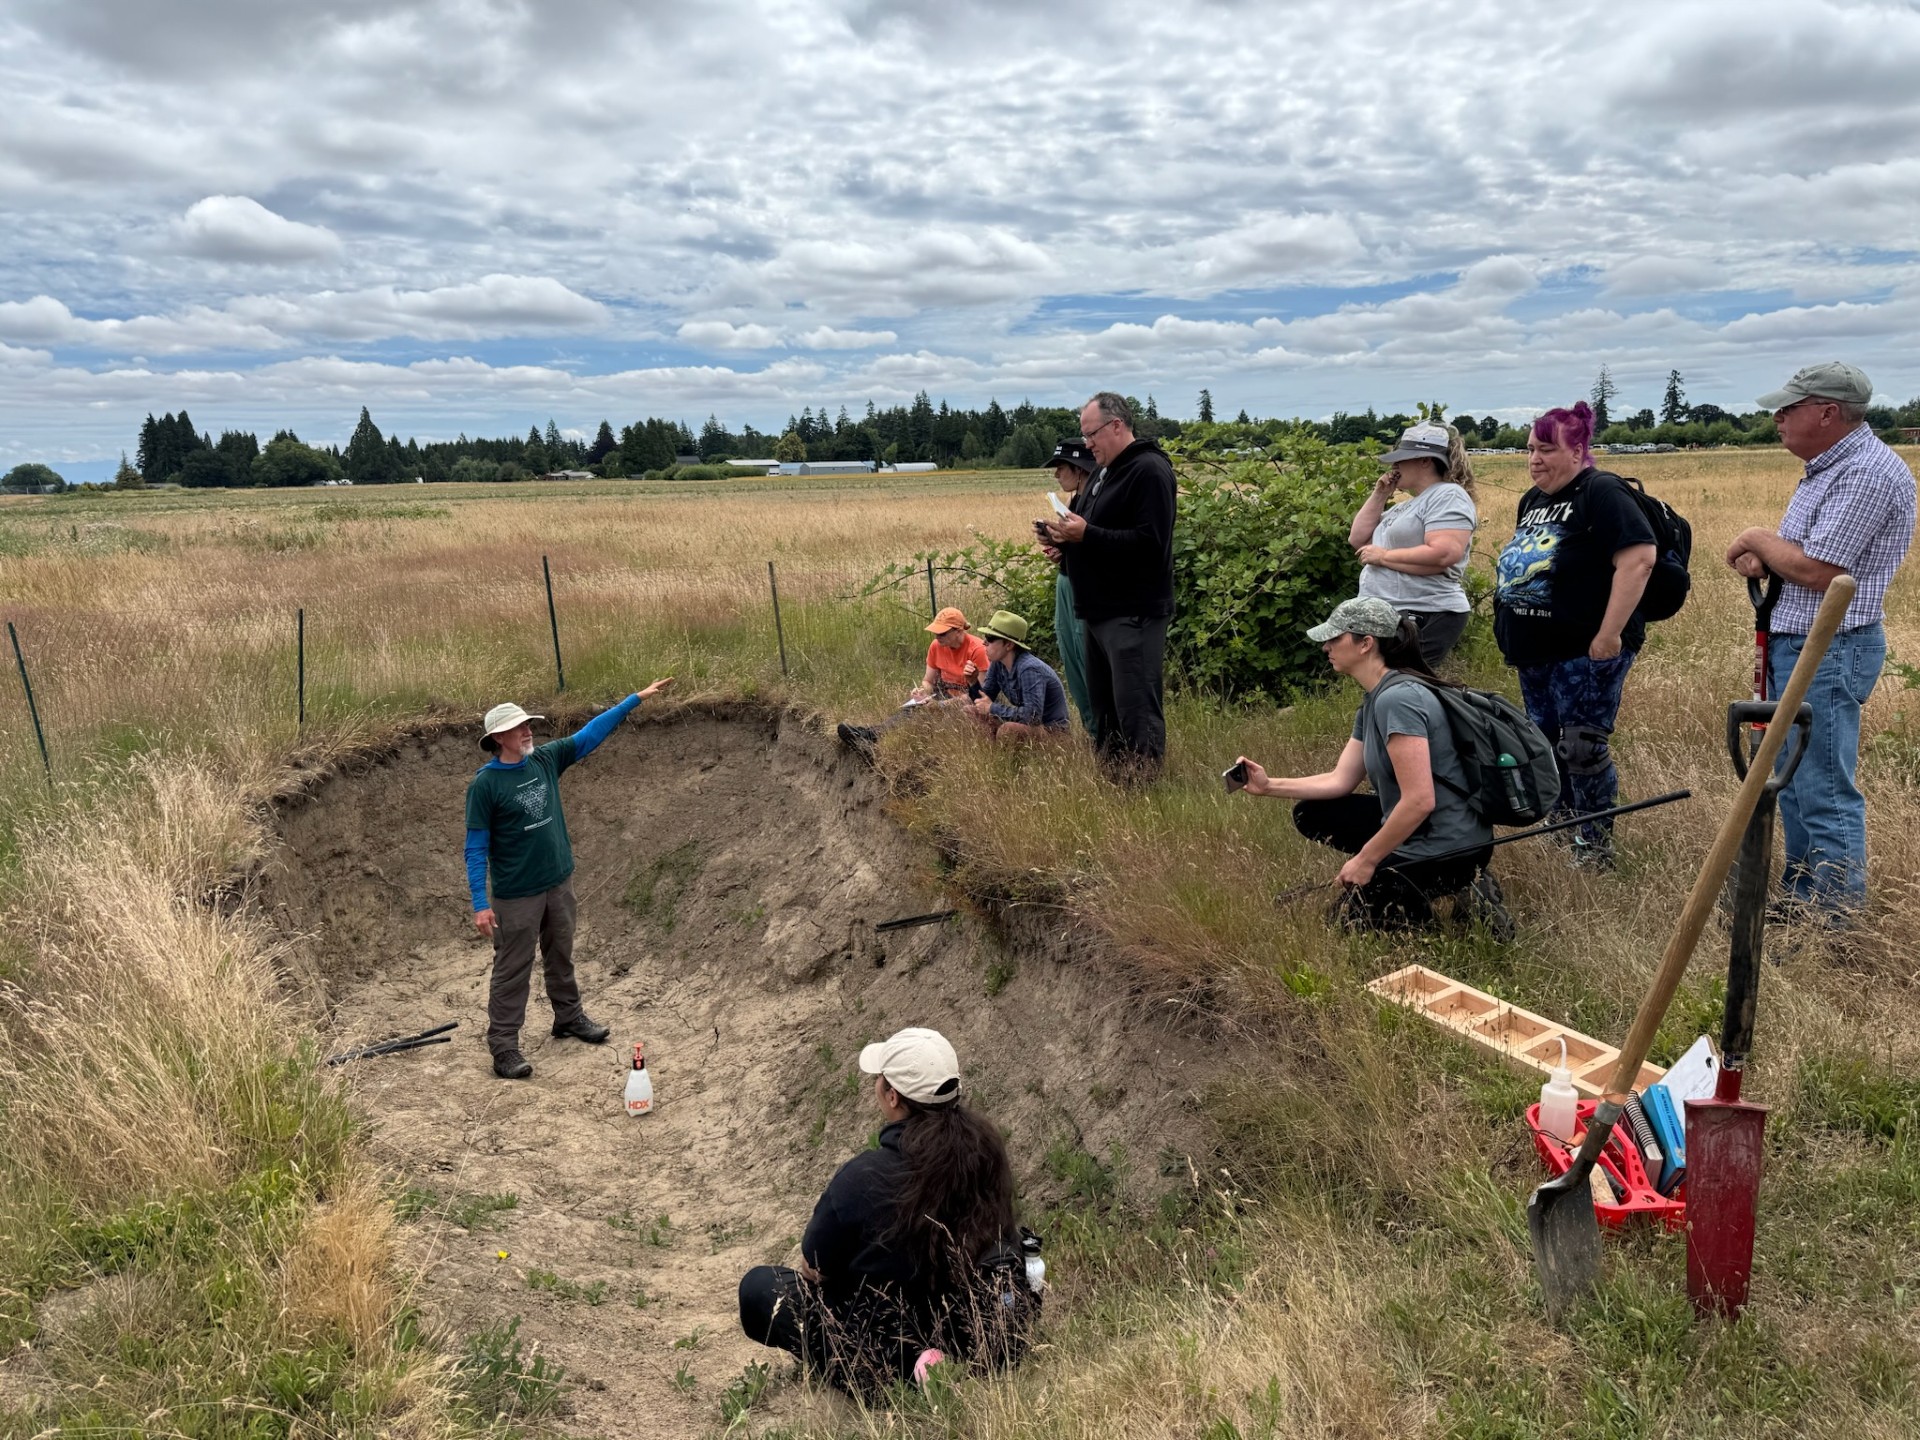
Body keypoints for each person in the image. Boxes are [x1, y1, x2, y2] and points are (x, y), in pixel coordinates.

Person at [738, 1028, 1034, 1395]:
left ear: (892, 1096)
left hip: (879, 1353)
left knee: (759, 1288)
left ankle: (912, 1371)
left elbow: (816, 1264)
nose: (876, 1084)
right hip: (967, 1330)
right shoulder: (986, 1152)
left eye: (880, 1079)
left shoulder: (863, 1176)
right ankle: (937, 1366)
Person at [1725, 361, 1916, 922]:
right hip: (1803, 643)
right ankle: (1804, 897)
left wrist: (1758, 538)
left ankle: (1834, 922)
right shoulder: (1827, 468)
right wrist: (1770, 555)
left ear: (1828, 412)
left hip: (1831, 648)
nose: (1778, 417)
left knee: (1823, 788)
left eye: (1790, 407)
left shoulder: (1866, 473)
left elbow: (1817, 569)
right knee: (1792, 784)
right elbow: (1793, 558)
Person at [1232, 597, 1509, 934]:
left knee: (1351, 927)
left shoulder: (1399, 699)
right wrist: (1269, 785)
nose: (1326, 648)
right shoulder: (1375, 699)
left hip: (1449, 844)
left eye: (1336, 639)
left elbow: (1420, 800)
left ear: (1366, 644)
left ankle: (1466, 888)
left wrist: (1367, 860)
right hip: (1422, 829)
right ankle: (1420, 892)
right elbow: (1340, 780)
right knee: (1312, 813)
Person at [466, 680, 675, 1079]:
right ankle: (505, 1047)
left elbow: (589, 734)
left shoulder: (545, 759)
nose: (528, 731)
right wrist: (480, 902)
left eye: (528, 724)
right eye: (518, 728)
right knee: (512, 969)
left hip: (558, 883)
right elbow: (475, 848)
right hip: (516, 895)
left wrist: (633, 700)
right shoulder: (485, 785)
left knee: (561, 955)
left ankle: (568, 1017)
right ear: (497, 738)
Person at [1492, 401, 1655, 867]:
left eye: (1546, 448)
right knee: (1544, 743)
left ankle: (1594, 843)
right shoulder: (1533, 500)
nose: (1534, 459)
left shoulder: (1602, 492)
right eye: (1529, 449)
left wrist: (1608, 636)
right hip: (1536, 650)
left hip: (1586, 647)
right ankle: (1560, 828)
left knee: (1580, 746)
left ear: (1579, 449)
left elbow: (1638, 558)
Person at [1043, 392, 1177, 780]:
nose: (1087, 444)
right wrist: (1062, 544)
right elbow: (1093, 536)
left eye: (1091, 434)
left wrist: (1086, 535)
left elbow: (1151, 544)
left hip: (1133, 610)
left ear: (1116, 425)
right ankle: (1114, 781)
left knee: (1135, 704)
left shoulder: (1149, 470)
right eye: (1084, 435)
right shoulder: (1104, 473)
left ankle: (1144, 784)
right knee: (1105, 706)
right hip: (1100, 610)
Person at [1350, 420, 1479, 666]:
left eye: (1403, 458)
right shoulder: (1405, 506)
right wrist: (1380, 494)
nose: (1395, 465)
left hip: (1424, 611)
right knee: (1391, 687)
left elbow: (1443, 554)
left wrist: (1383, 557)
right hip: (1397, 611)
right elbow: (1358, 539)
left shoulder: (1447, 495)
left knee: (1403, 686)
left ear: (1425, 460)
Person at [837, 607, 990, 749]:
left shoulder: (978, 650)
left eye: (942, 633)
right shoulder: (936, 646)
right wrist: (923, 692)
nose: (937, 636)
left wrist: (942, 705)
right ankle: (871, 735)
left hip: (966, 703)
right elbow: (928, 681)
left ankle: (872, 737)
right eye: (935, 632)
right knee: (913, 708)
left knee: (935, 718)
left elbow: (978, 696)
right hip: (944, 695)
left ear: (959, 631)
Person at [1043, 439, 1099, 730]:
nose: (1056, 475)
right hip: (1068, 581)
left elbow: (1099, 547)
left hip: (1082, 589)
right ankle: (1093, 729)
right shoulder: (1077, 500)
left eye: (1060, 468)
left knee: (1085, 658)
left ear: (1079, 469)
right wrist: (1058, 547)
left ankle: (1101, 731)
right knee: (1072, 657)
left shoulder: (1096, 499)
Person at [968, 610, 1070, 740]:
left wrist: (993, 708)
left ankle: (1003, 756)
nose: (984, 643)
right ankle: (988, 755)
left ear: (1009, 645)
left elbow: (1032, 716)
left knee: (1008, 730)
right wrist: (973, 683)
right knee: (969, 711)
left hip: (1052, 732)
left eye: (990, 638)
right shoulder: (998, 663)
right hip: (1030, 726)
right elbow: (984, 700)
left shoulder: (1029, 669)